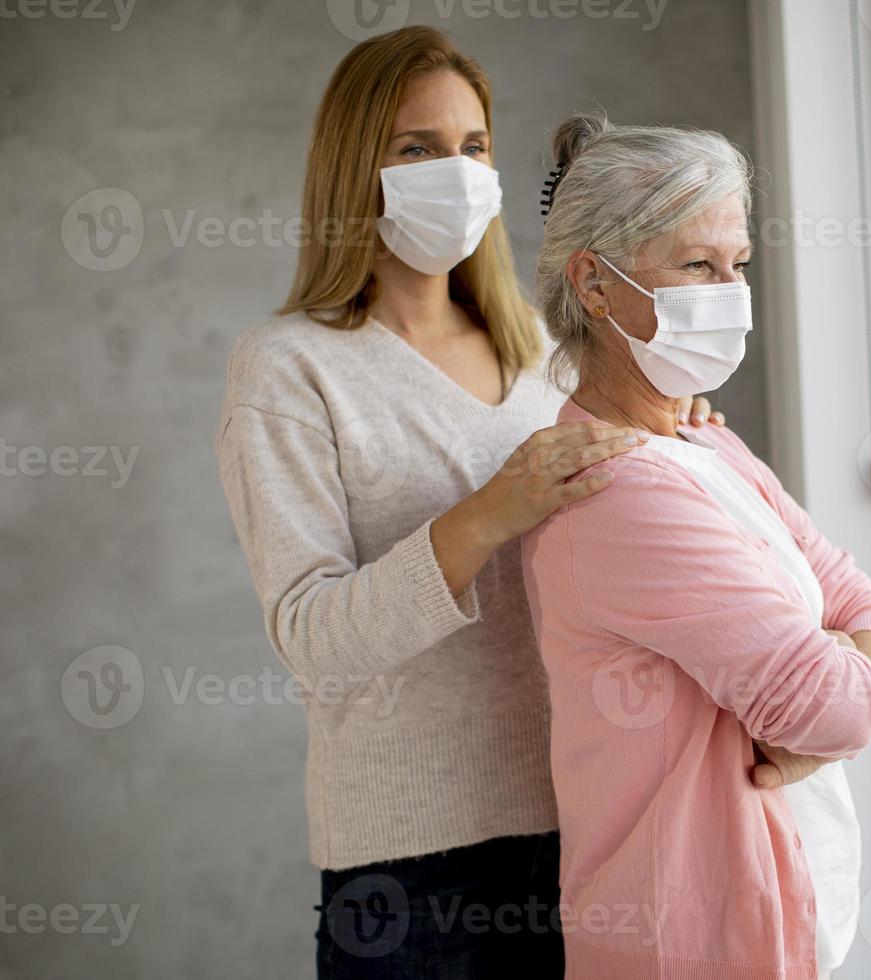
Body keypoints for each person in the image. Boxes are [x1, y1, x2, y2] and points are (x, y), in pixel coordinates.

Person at [215, 28, 722, 979]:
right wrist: (490, 510)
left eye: (473, 147)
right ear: (353, 167)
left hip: (589, 823)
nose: (454, 171)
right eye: (416, 148)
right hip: (413, 876)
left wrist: (666, 422)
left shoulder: (539, 349)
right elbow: (313, 638)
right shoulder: (288, 369)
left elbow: (608, 535)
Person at [521, 113, 871, 979]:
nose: (728, 290)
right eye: (697, 265)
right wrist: (842, 681)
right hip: (686, 946)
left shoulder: (706, 444)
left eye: (738, 266)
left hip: (772, 924)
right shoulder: (619, 490)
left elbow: (864, 606)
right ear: (594, 284)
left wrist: (846, 662)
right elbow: (834, 707)